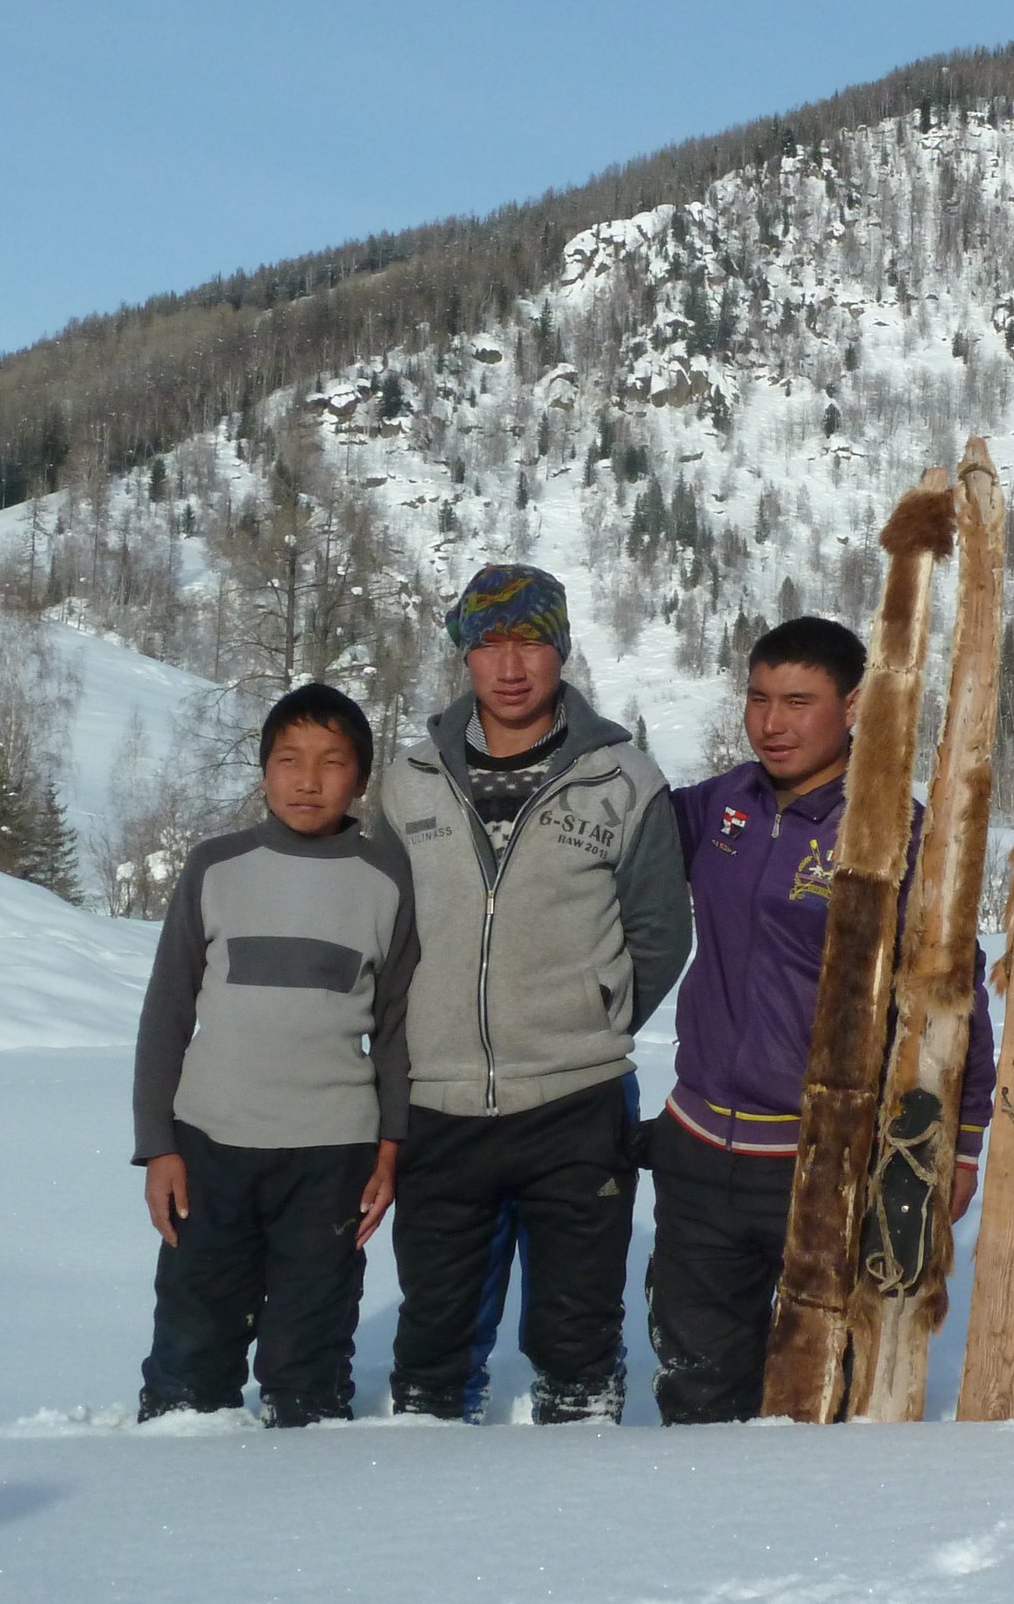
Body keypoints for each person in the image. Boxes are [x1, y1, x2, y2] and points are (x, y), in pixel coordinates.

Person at [646, 614, 998, 1423]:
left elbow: (955, 995)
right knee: (696, 1389)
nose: (772, 723)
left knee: (821, 1391)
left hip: (822, 1159)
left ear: (853, 706)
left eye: (798, 702)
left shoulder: (891, 833)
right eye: (759, 698)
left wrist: (962, 1140)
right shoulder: (720, 806)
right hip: (697, 1148)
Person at [378, 563, 692, 1424]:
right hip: (440, 1099)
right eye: (490, 645)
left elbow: (661, 930)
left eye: (530, 643)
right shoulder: (409, 780)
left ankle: (578, 1456)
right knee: (434, 1340)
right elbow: (386, 930)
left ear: (562, 649)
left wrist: (592, 1018)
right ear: (465, 655)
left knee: (576, 1336)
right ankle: (423, 1457)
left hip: (576, 1100)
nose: (510, 666)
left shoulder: (622, 778)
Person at [132, 682, 416, 1427]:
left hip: (333, 1152)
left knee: (308, 1357)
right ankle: (175, 1455)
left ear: (361, 777)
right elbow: (166, 1013)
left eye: (332, 761)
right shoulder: (215, 866)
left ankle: (304, 1470)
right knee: (192, 1341)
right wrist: (158, 1145)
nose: (308, 779)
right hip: (210, 1142)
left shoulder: (387, 880)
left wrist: (390, 1146)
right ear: (264, 772)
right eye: (289, 759)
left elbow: (396, 1029)